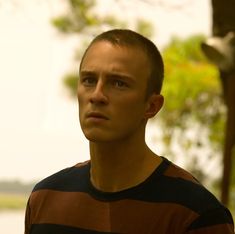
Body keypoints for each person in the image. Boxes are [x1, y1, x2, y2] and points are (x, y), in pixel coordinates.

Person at [24, 29, 234, 234]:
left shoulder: (195, 214)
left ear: (152, 106)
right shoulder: (46, 198)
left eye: (118, 83)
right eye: (89, 80)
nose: (97, 95)